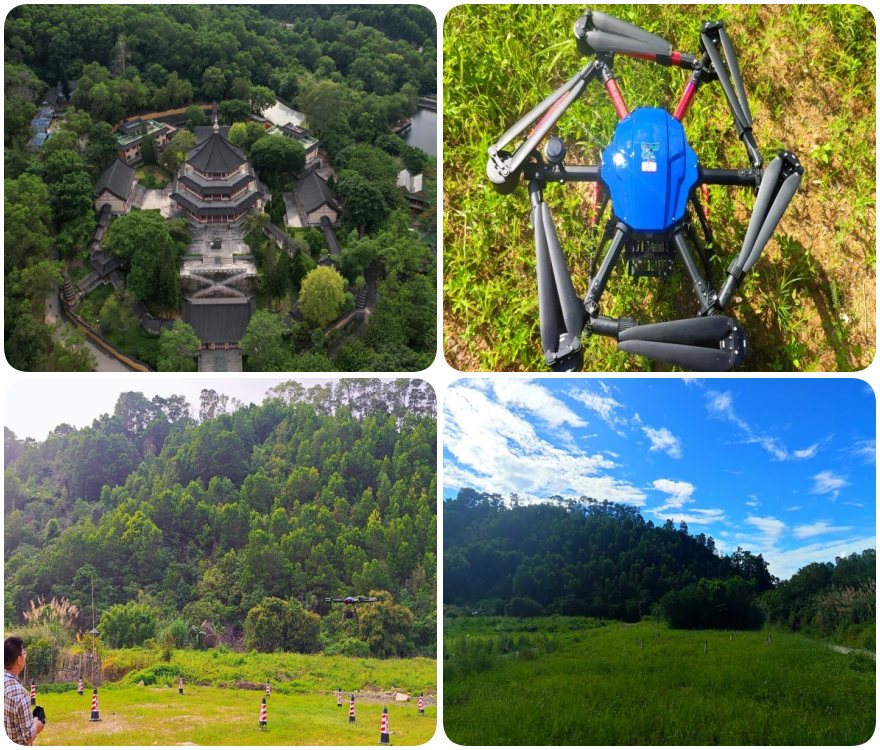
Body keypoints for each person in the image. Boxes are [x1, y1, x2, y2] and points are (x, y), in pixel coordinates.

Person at [4, 637, 44, 745]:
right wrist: (37, 724)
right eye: (24, 653)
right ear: (18, 660)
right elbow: (27, 737)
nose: (25, 656)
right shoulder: (20, 694)